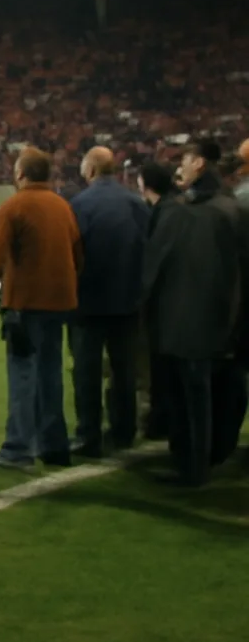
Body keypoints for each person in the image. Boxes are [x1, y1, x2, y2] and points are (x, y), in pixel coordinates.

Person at [143, 141, 243, 485]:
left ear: (199, 162)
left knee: (189, 394)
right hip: (222, 320)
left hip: (180, 321)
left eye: (185, 160)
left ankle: (191, 464)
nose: (180, 167)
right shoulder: (231, 208)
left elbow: (153, 269)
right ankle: (205, 458)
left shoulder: (180, 211)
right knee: (210, 391)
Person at [0, 148, 83, 470]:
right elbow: (78, 255)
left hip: (25, 303)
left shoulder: (13, 206)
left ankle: (18, 448)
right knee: (50, 374)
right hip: (60, 301)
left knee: (23, 375)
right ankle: (53, 444)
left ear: (21, 174)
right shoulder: (62, 206)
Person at [68, 147, 149, 457]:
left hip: (89, 302)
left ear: (90, 170)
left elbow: (73, 256)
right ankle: (124, 430)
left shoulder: (81, 205)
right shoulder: (136, 204)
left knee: (86, 372)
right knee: (124, 369)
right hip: (128, 301)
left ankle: (88, 434)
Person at [137, 161, 180, 440]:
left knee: (161, 369)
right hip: (173, 304)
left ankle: (162, 423)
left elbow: (154, 264)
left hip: (165, 306)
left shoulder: (166, 214)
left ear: (146, 185)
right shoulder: (172, 210)